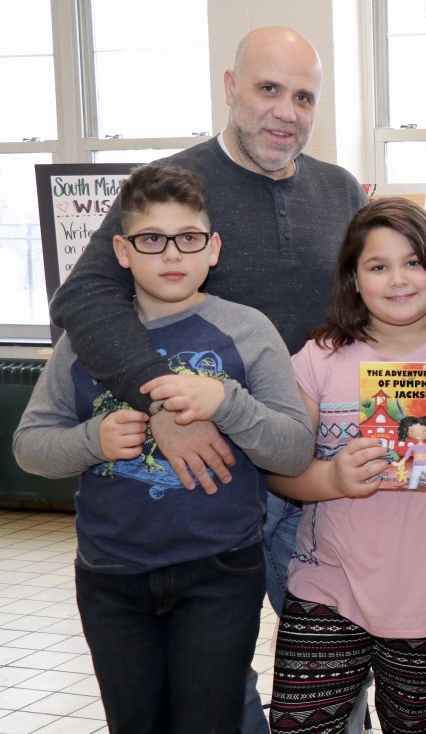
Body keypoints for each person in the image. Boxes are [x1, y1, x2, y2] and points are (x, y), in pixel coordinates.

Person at [47, 25, 369, 733]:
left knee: (337, 667)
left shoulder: (341, 189)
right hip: (208, 481)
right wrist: (161, 400)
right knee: (219, 688)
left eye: (304, 96)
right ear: (230, 87)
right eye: (269, 89)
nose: (286, 111)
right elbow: (82, 299)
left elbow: (371, 302)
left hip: (312, 474)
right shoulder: (176, 191)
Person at [13, 165, 314, 733]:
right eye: (152, 240)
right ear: (122, 251)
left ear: (214, 247)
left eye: (189, 239)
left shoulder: (247, 331)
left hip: (220, 571)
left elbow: (294, 452)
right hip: (111, 575)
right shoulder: (87, 340)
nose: (172, 255)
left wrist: (226, 401)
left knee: (210, 722)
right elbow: (30, 447)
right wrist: (91, 441)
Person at [266, 198, 426, 734]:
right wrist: (332, 478)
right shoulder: (320, 356)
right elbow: (278, 465)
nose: (398, 280)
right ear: (353, 277)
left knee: (412, 726)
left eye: (413, 262)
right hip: (328, 583)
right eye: (378, 266)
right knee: (297, 727)